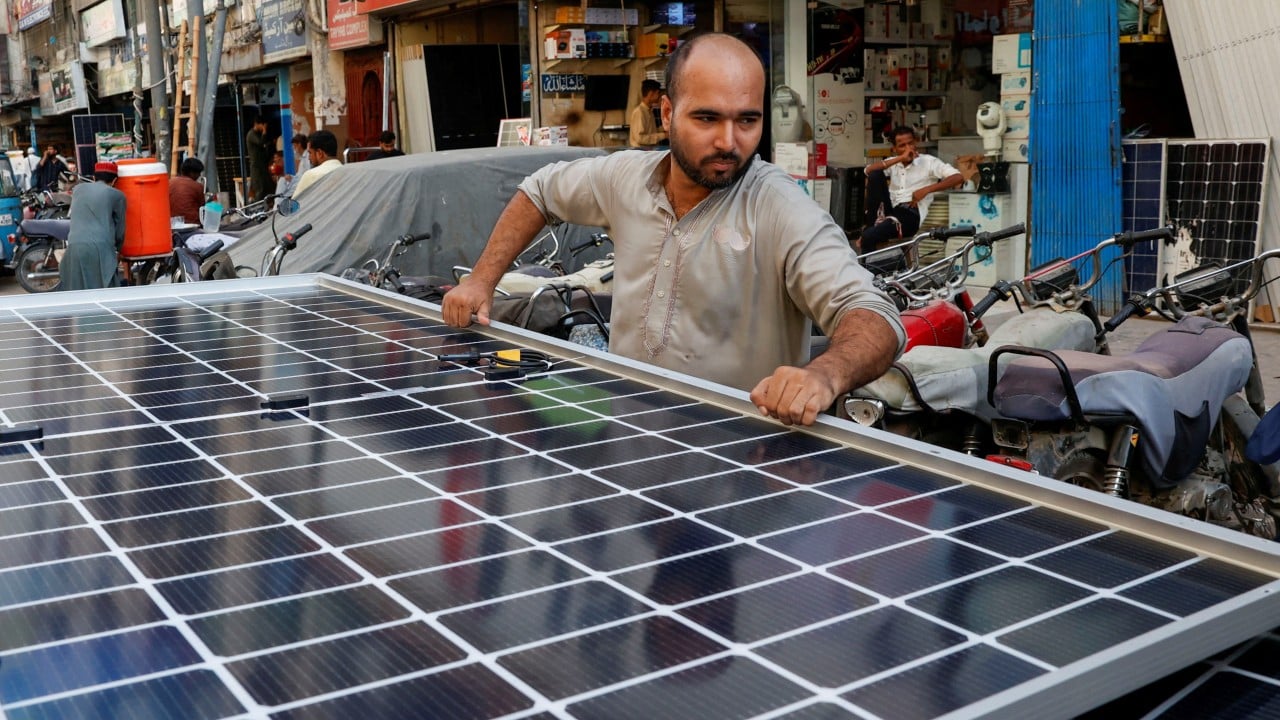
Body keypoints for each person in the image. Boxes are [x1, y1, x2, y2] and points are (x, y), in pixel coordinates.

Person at [443, 33, 904, 427]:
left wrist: (824, 376)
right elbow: (540, 192)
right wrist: (482, 280)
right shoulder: (624, 178)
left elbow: (874, 316)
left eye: (748, 120)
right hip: (628, 446)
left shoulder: (781, 208)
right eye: (707, 118)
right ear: (666, 113)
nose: (729, 141)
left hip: (736, 468)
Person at [857, 126, 963, 254]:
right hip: (891, 210)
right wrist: (901, 158)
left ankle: (867, 268)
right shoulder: (893, 162)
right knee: (875, 174)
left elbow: (958, 177)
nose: (908, 148)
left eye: (910, 143)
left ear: (916, 143)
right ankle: (870, 227)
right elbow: (868, 171)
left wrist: (927, 189)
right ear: (894, 149)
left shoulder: (929, 161)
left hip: (911, 214)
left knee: (868, 237)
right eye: (902, 146)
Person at [61, 161, 126, 291]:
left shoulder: (78, 190)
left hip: (74, 246)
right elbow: (120, 229)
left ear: (94, 178)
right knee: (106, 290)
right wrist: (118, 249)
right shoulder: (117, 195)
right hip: (101, 248)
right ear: (114, 180)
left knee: (78, 289)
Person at [290, 130, 341, 198]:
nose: (309, 158)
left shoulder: (311, 175)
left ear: (319, 153)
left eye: (310, 153)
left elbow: (294, 205)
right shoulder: (348, 172)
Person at [629, 79, 668, 149]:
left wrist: (667, 127)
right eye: (658, 93)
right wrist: (664, 135)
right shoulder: (639, 112)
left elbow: (651, 132)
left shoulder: (649, 111)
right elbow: (640, 138)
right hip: (641, 154)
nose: (659, 96)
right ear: (651, 94)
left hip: (649, 152)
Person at [169, 157, 206, 224]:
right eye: (198, 173)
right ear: (192, 173)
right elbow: (202, 208)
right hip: (192, 225)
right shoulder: (197, 186)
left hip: (171, 224)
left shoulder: (169, 183)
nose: (199, 175)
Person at [245, 117, 272, 202]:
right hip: (256, 166)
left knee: (267, 187)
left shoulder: (258, 134)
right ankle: (257, 207)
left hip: (263, 165)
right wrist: (264, 132)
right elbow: (261, 143)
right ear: (257, 124)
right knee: (259, 188)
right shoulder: (251, 134)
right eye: (262, 125)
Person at [276, 133, 311, 199]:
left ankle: (278, 205)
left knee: (283, 184)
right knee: (282, 180)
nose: (294, 149)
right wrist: (292, 178)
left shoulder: (307, 157)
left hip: (303, 184)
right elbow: (300, 175)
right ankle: (277, 204)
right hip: (298, 181)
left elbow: (307, 174)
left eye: (294, 146)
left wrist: (294, 179)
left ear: (299, 145)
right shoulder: (303, 158)